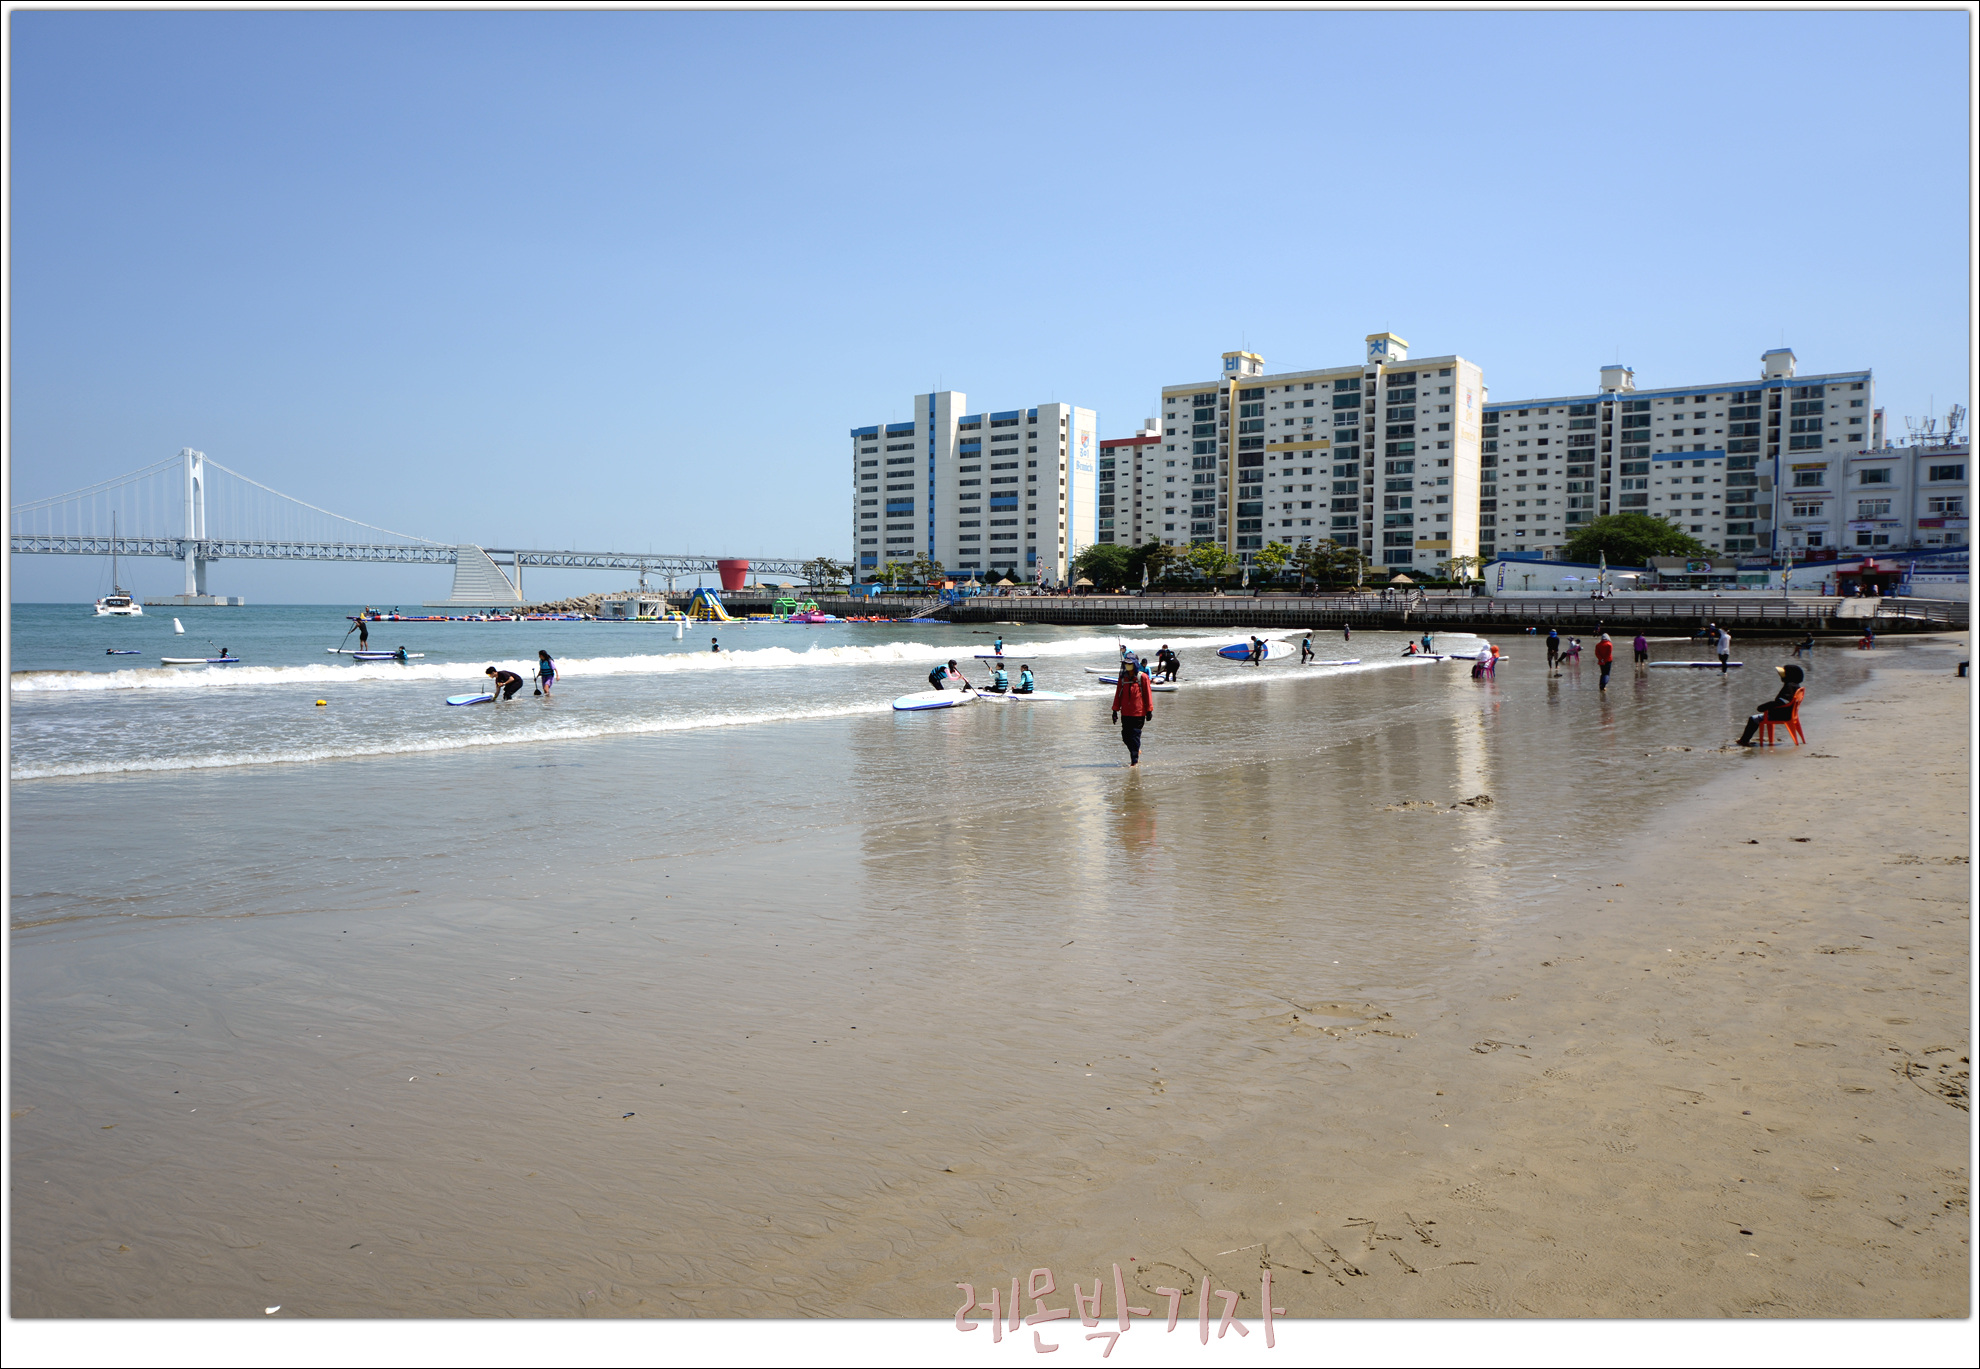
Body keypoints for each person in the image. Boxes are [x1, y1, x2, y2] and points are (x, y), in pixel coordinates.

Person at [1737, 665, 1805, 746]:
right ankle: (1744, 740)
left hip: (1780, 715)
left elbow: (1781, 702)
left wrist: (1764, 707)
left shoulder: (1789, 687)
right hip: (1789, 713)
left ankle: (1744, 740)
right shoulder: (1796, 686)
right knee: (1756, 718)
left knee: (1753, 719)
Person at [1111, 659, 1154, 767]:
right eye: (1126, 664)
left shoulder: (1142, 677)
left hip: (1139, 713)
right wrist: (1115, 710)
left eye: (1130, 664)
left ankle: (1134, 762)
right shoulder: (1122, 678)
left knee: (1135, 736)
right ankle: (1136, 750)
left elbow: (1148, 694)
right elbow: (1118, 694)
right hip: (1125, 713)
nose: (1127, 666)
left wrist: (1149, 710)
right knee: (1125, 736)